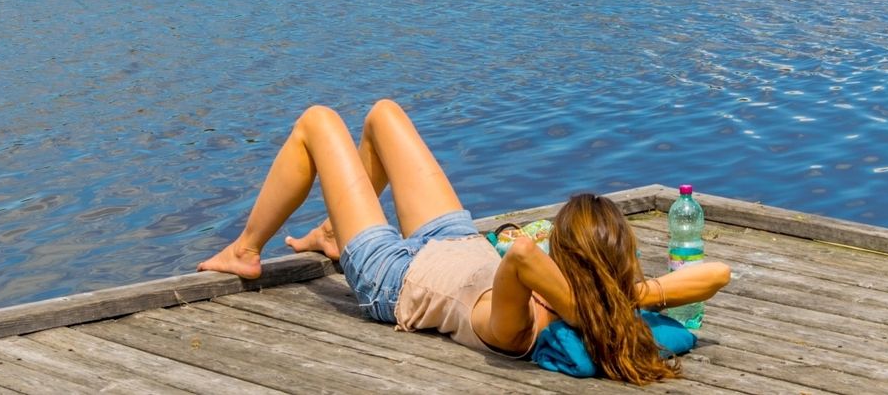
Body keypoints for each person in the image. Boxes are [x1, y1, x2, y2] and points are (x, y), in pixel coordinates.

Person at [200, 99, 732, 384]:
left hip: (393, 277)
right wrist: (626, 296)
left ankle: (245, 250)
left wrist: (592, 304)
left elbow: (523, 253)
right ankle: (336, 232)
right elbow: (717, 274)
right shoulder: (607, 297)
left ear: (572, 259)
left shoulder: (518, 327)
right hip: (455, 240)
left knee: (318, 122)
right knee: (383, 115)